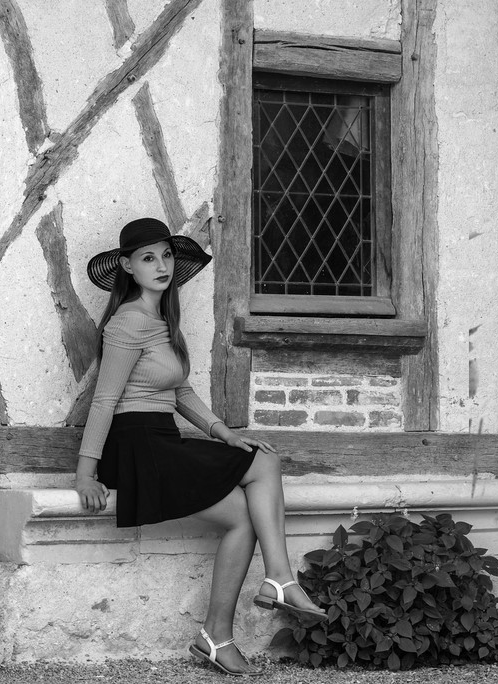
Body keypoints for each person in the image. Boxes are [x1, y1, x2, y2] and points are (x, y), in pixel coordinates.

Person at [74, 218, 327, 677]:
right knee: (262, 466)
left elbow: (180, 392)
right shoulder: (128, 322)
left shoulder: (160, 321)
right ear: (128, 267)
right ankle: (279, 580)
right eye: (148, 258)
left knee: (248, 504)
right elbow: (105, 399)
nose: (161, 265)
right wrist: (85, 473)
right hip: (138, 444)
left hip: (161, 438)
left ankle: (217, 636)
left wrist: (224, 433)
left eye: (167, 255)